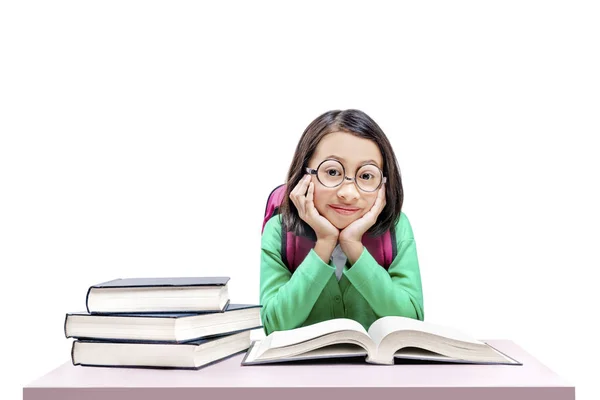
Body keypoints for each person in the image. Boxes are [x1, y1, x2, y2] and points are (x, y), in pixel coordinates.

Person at [259, 109, 424, 336]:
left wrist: (353, 246)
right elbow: (274, 325)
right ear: (304, 175)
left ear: (384, 183)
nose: (349, 193)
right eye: (333, 171)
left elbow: (411, 321)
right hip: (302, 371)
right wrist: (324, 242)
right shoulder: (279, 230)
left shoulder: (396, 228)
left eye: (366, 176)